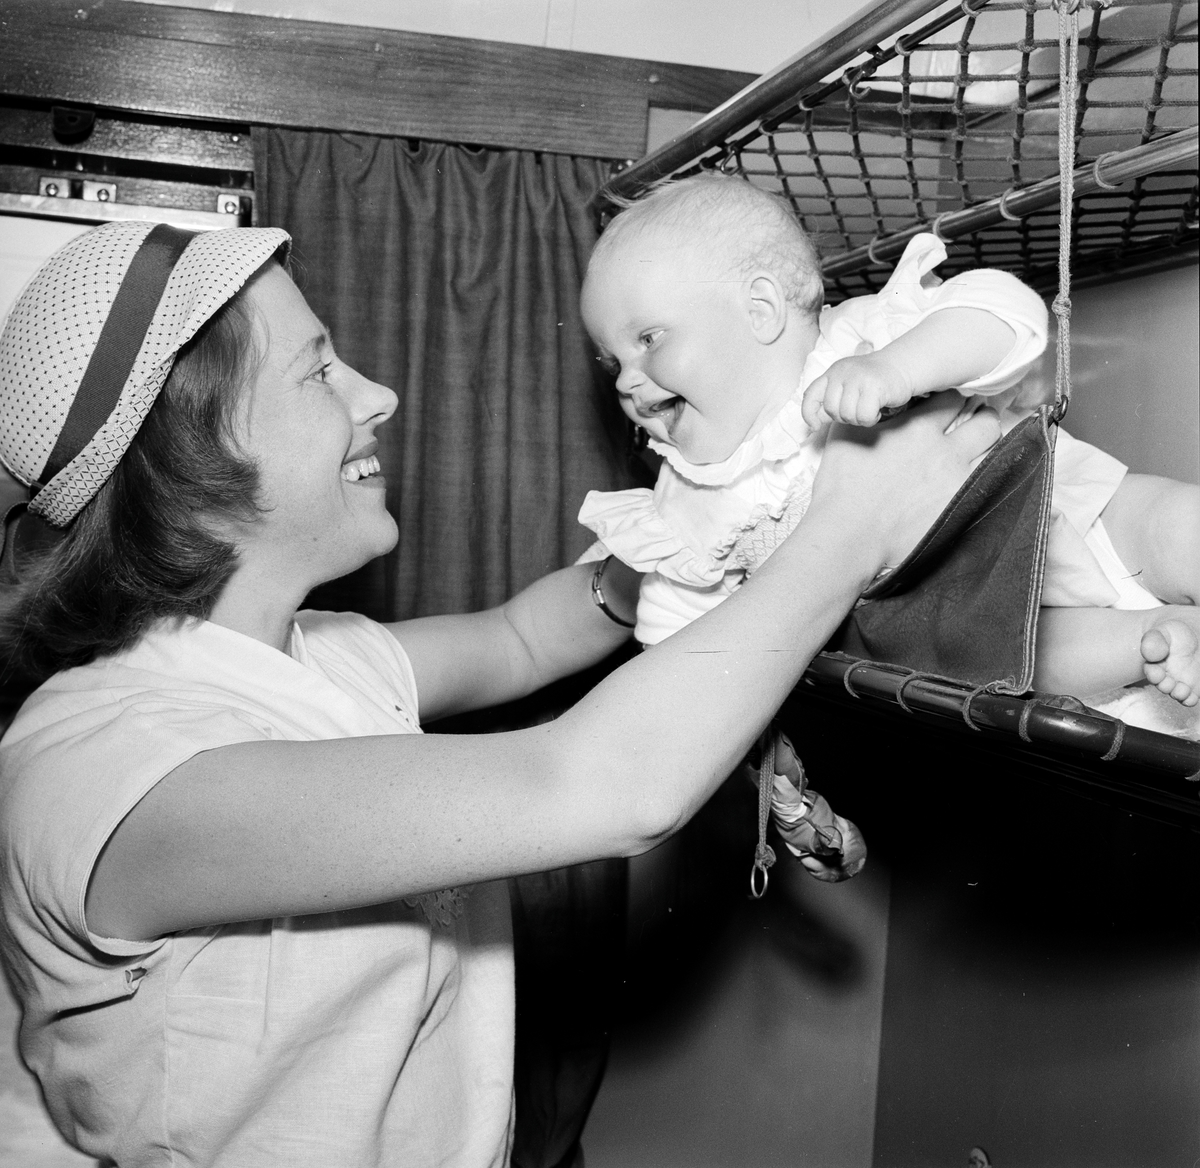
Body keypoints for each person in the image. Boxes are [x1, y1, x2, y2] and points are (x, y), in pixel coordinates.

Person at [0, 220, 997, 1166]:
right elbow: (603, 787)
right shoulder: (110, 769)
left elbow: (527, 636)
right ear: (192, 453)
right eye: (318, 371)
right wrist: (854, 521)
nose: (378, 393)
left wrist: (711, 524)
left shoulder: (321, 658)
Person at [576, 174, 1199, 713]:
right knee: (1020, 666)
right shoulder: (687, 499)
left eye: (648, 339)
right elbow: (676, 645)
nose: (627, 380)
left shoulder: (862, 338)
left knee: (1171, 524)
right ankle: (1160, 635)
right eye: (612, 363)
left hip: (1065, 510)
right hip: (980, 615)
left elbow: (1007, 311)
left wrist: (899, 367)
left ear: (760, 309)